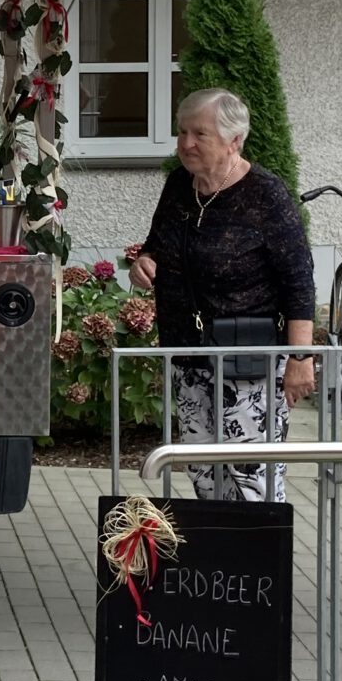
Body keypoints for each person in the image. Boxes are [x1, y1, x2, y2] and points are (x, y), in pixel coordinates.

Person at [129, 89, 316, 502]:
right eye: (182, 132)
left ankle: (259, 563)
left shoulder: (266, 195)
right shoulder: (180, 185)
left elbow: (299, 282)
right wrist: (144, 262)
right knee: (204, 474)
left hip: (248, 362)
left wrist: (301, 360)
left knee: (252, 480)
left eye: (200, 133)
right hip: (189, 355)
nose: (186, 143)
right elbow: (156, 244)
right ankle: (219, 565)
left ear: (235, 141)